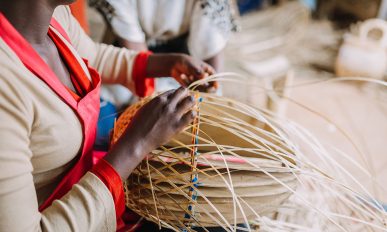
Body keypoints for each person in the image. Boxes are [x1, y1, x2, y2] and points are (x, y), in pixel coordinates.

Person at [0, 0, 216, 231]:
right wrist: (136, 145)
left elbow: (93, 55)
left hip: (96, 199)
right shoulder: (6, 86)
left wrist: (162, 63)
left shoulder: (54, 16)